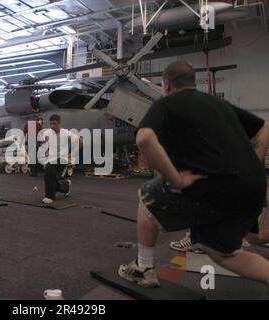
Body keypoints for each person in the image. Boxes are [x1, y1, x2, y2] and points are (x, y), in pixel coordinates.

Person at [119, 60, 269, 288]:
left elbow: (145, 138)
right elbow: (264, 129)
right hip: (255, 186)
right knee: (224, 253)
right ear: (193, 82)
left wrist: (176, 179)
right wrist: (254, 163)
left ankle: (143, 268)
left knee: (147, 198)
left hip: (216, 186)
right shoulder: (220, 104)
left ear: (166, 84)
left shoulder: (167, 103)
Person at [40, 115, 83, 204]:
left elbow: (80, 141)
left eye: (54, 124)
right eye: (51, 124)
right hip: (51, 159)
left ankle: (50, 197)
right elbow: (44, 145)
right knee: (50, 175)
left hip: (63, 158)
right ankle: (65, 185)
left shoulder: (66, 133)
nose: (52, 126)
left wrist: (73, 153)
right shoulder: (47, 133)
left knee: (49, 168)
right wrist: (46, 150)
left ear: (59, 123)